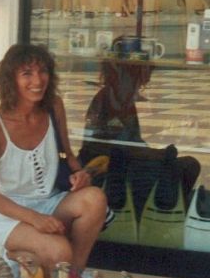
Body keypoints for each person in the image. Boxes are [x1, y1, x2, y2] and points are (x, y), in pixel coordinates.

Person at [0, 44, 107, 276]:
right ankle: (16, 255)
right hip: (10, 213)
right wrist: (35, 219)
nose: (38, 80)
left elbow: (67, 154)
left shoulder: (54, 106)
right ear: (10, 79)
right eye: (27, 73)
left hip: (50, 201)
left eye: (43, 71)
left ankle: (74, 275)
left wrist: (80, 175)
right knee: (60, 252)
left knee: (95, 198)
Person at [79, 60, 200, 216]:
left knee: (188, 165)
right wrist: (153, 155)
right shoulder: (106, 101)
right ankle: (160, 209)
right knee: (180, 168)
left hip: (129, 162)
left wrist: (151, 153)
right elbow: (108, 147)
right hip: (113, 168)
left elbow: (133, 142)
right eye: (139, 81)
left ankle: (168, 207)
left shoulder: (125, 103)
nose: (141, 86)